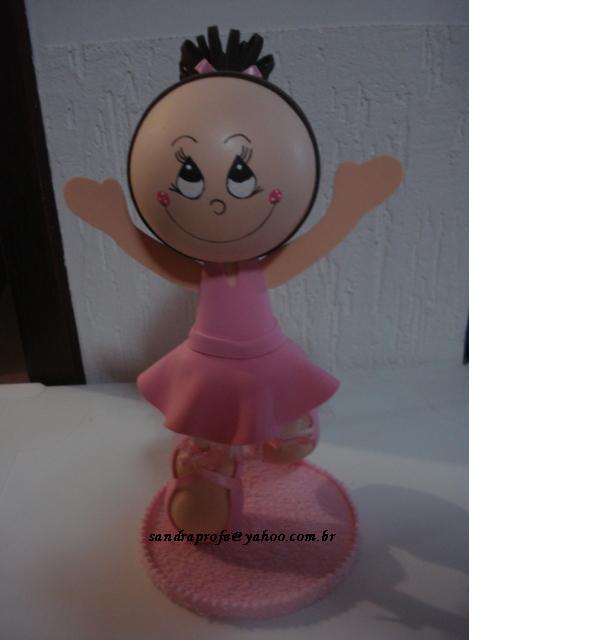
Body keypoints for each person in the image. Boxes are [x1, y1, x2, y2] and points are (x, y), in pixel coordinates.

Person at [64, 26, 404, 534]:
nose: (218, 201)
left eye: (241, 176)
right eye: (190, 176)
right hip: (208, 357)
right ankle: (211, 457)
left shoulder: (260, 266)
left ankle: (281, 420)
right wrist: (116, 223)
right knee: (210, 410)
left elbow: (305, 250)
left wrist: (348, 209)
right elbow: (162, 259)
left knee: (271, 391)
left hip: (264, 352)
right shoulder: (202, 268)